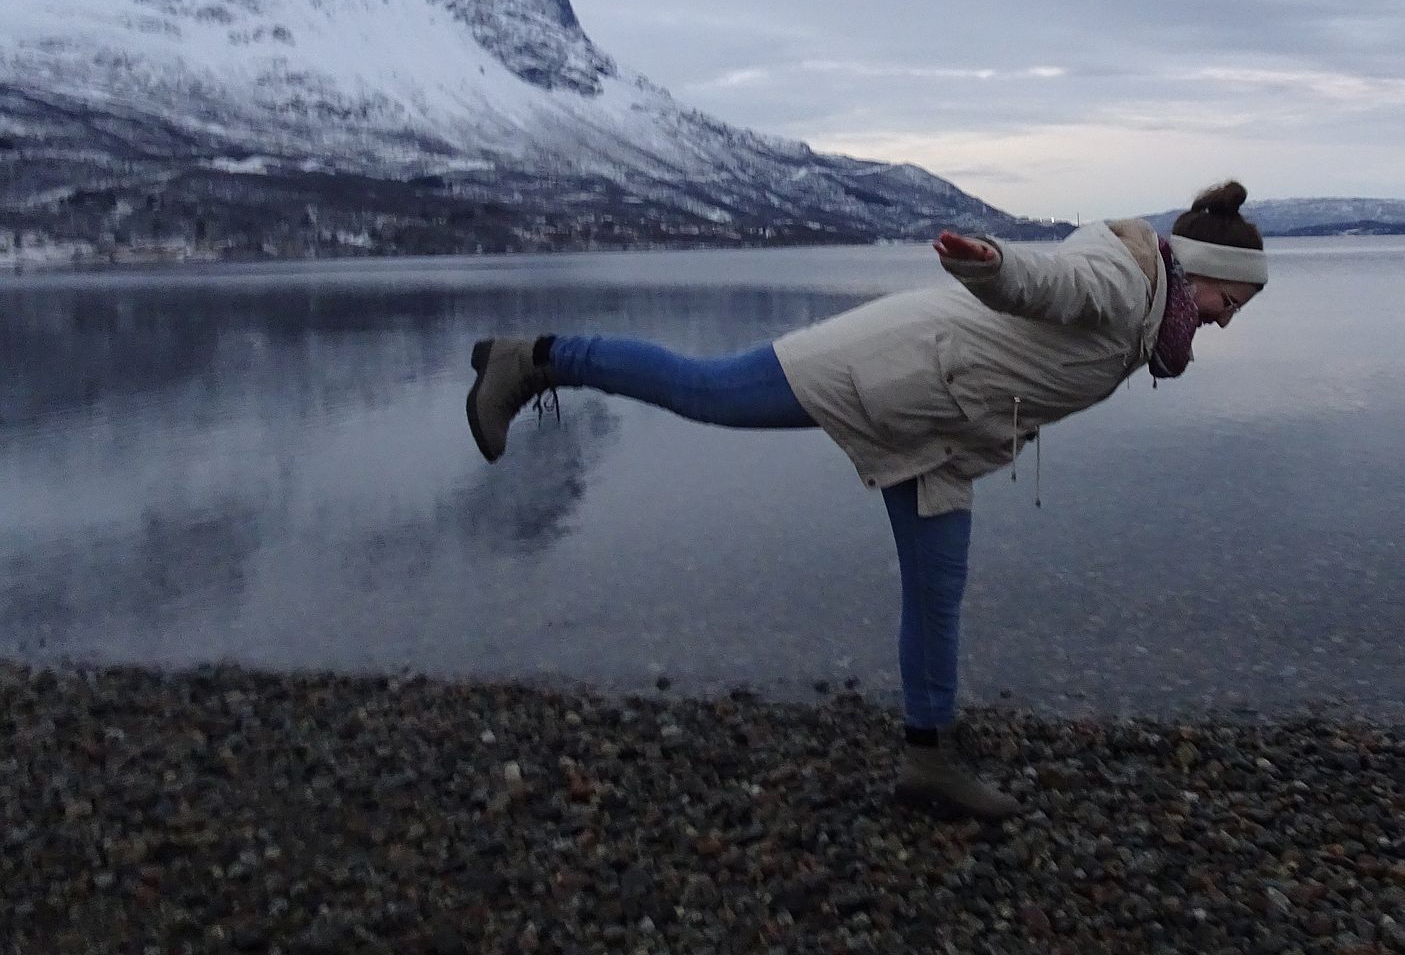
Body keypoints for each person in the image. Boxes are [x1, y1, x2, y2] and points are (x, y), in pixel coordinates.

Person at [463, 180, 1267, 819]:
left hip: (939, 433)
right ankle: (533, 357)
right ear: (1204, 274)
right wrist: (994, 266)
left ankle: (928, 760)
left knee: (937, 592)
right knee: (706, 390)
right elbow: (1049, 284)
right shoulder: (1127, 283)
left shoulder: (1152, 313)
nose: (1227, 324)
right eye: (1233, 303)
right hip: (885, 371)